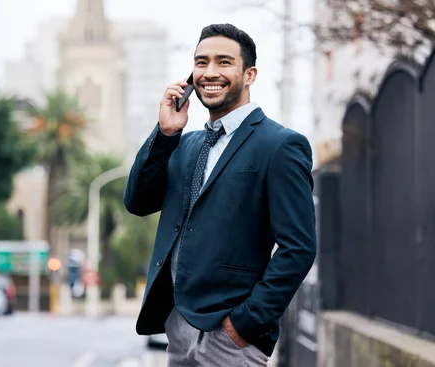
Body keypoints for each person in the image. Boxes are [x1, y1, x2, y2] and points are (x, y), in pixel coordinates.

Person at [124, 23, 316, 366]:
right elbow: (137, 202)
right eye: (201, 62)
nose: (209, 72)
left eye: (223, 62)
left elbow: (298, 248)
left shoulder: (280, 146)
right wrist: (165, 133)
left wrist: (245, 323)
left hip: (230, 335)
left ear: (249, 74)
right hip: (177, 328)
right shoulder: (184, 146)